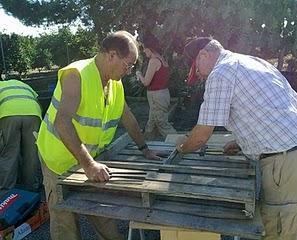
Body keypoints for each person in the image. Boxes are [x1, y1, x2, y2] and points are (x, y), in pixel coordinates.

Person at [176, 37, 297, 240]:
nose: (199, 75)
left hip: (287, 161)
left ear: (204, 55)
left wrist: (181, 148)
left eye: (196, 69)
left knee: (278, 232)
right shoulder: (251, 62)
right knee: (284, 226)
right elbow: (275, 109)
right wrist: (242, 142)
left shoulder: (221, 73)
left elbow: (201, 135)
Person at [36, 31, 160, 240]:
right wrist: (90, 165)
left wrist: (144, 149)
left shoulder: (115, 84)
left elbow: (127, 116)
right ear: (111, 55)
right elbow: (62, 122)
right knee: (65, 225)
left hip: (89, 160)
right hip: (57, 161)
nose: (128, 71)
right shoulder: (77, 74)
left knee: (104, 215)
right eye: (127, 65)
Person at [0, 79, 43, 192]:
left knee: (9, 154)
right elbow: (37, 100)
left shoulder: (1, 86)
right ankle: (32, 189)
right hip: (33, 114)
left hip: (8, 115)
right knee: (32, 154)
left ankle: (6, 191)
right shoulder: (24, 85)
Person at [136, 34, 176, 140]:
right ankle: (145, 143)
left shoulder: (153, 61)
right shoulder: (162, 59)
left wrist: (139, 74)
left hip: (156, 96)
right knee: (151, 123)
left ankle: (180, 143)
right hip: (163, 94)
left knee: (162, 123)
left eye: (144, 49)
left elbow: (146, 82)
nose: (144, 51)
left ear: (149, 48)